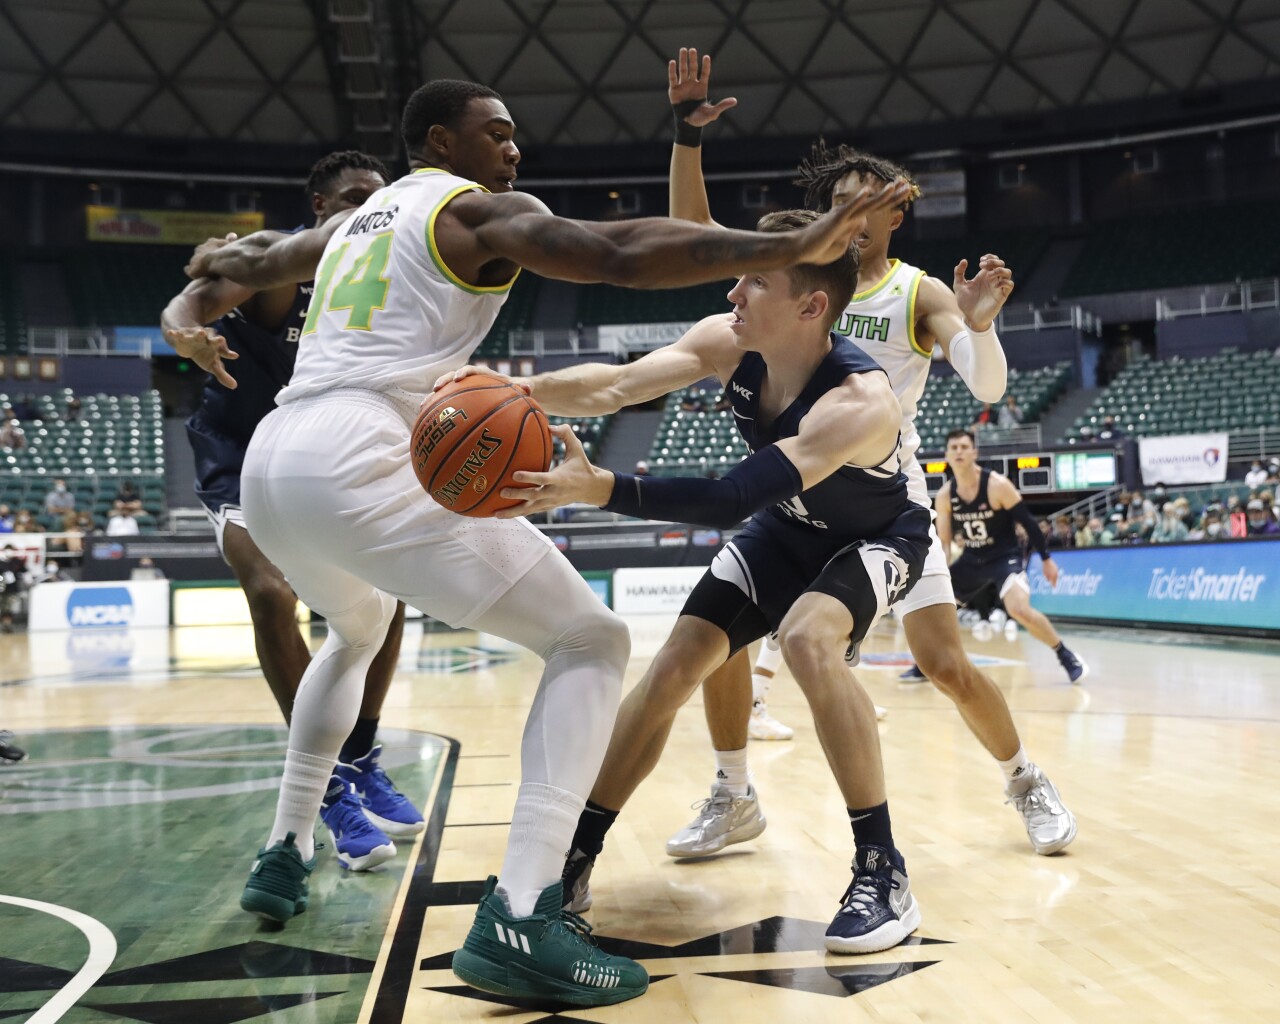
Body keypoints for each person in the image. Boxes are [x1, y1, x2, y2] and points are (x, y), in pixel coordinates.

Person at [180, 78, 885, 1006]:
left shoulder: (354, 225)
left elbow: (233, 265)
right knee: (591, 639)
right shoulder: (467, 212)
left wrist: (180, 320)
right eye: (497, 135)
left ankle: (284, 848)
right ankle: (520, 911)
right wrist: (784, 244)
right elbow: (616, 251)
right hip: (363, 452)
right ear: (441, 141)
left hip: (274, 466)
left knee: (356, 631)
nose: (515, 152)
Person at [474, 203, 931, 955]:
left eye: (754, 279)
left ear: (812, 305)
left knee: (811, 640)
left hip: (875, 536)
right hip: (787, 528)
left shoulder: (859, 401)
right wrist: (514, 393)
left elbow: (729, 499)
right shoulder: (728, 342)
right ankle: (576, 856)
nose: (732, 294)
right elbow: (615, 387)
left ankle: (882, 870)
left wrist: (603, 489)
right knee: (673, 668)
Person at [660, 48, 1075, 856]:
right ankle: (732, 792)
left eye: (865, 205)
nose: (848, 217)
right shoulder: (793, 269)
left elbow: (984, 387)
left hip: (886, 501)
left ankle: (1026, 778)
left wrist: (981, 325)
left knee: (945, 664)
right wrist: (686, 137)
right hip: (794, 491)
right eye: (836, 204)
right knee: (723, 637)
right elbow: (693, 237)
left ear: (895, 215)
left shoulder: (916, 291)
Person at [163, 151, 423, 874]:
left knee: (388, 593)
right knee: (272, 592)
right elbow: (197, 292)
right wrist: (181, 327)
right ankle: (331, 787)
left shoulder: (387, 276)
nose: (365, 207)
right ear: (317, 205)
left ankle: (362, 754)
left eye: (377, 197)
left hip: (325, 455)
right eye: (350, 197)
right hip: (245, 458)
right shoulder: (285, 268)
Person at [937, 430, 1088, 685]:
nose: (959, 451)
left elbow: (1029, 524)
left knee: (1019, 610)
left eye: (964, 447)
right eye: (954, 447)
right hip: (972, 560)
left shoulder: (997, 485)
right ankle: (924, 664)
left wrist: (1047, 559)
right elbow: (945, 542)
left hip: (1003, 558)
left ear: (975, 452)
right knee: (935, 609)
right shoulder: (945, 495)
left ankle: (1065, 655)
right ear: (947, 454)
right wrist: (939, 574)